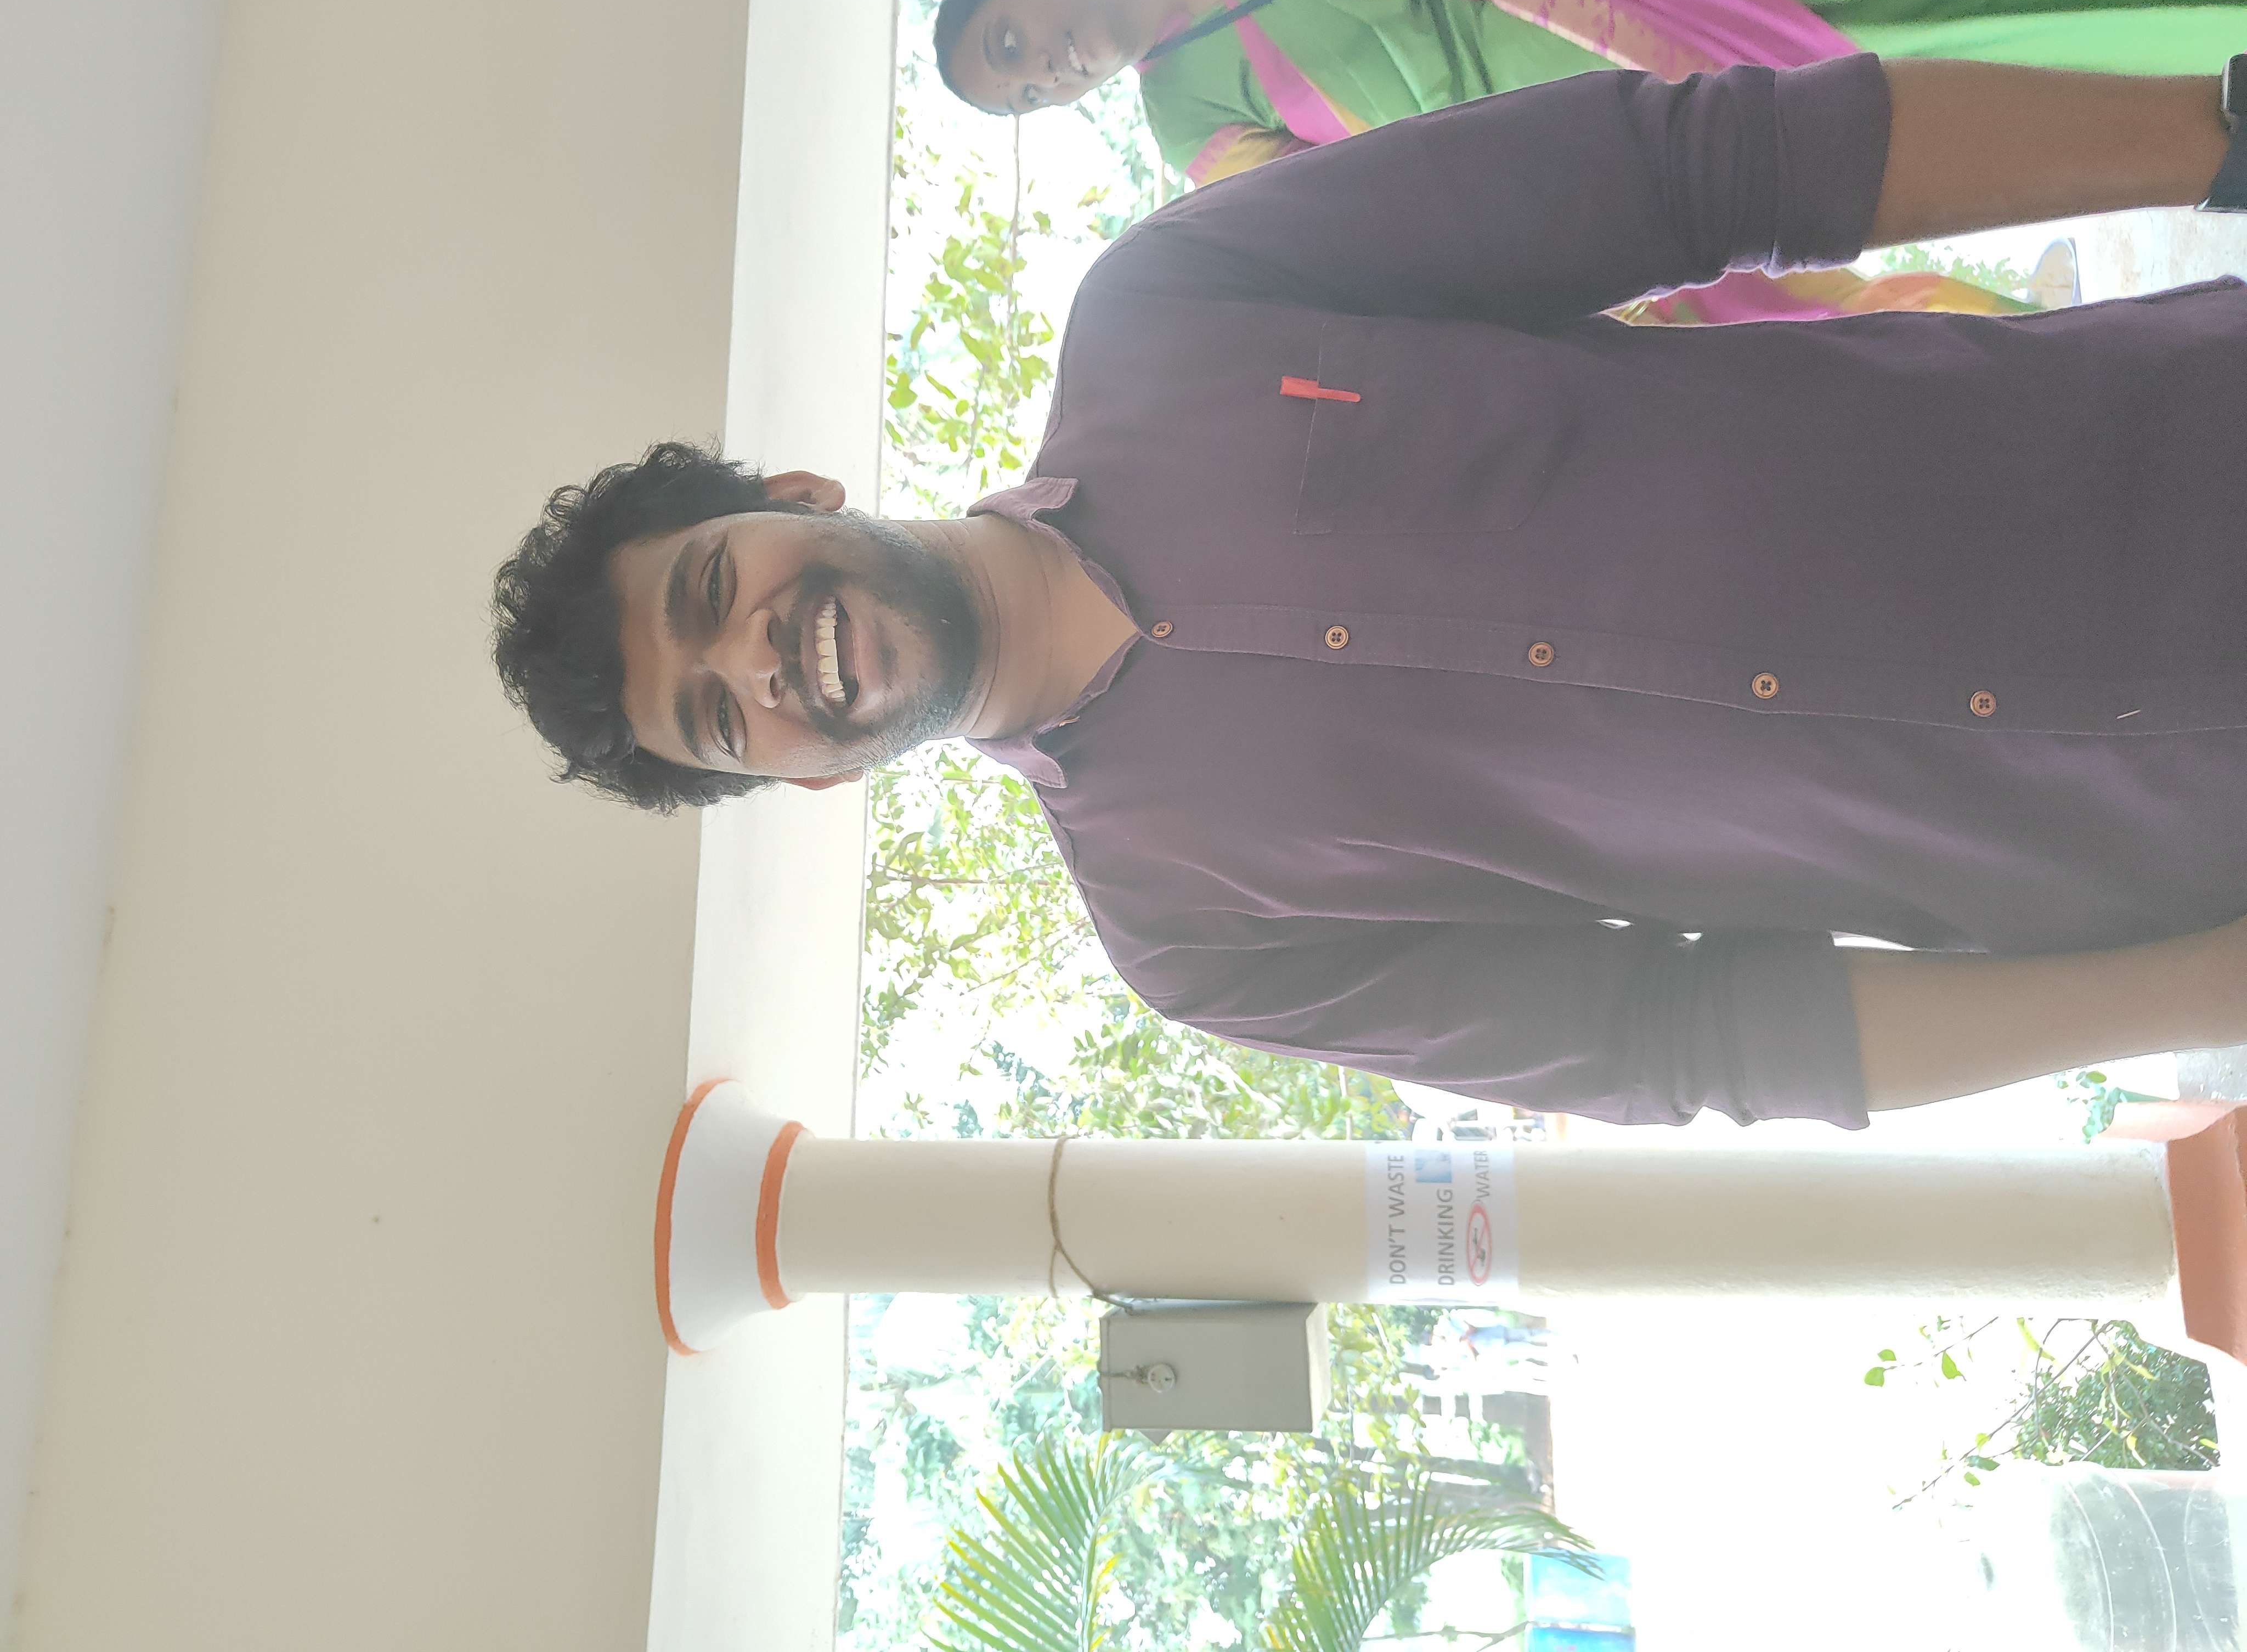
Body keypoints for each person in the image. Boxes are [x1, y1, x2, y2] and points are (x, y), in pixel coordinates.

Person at [492, 55, 2247, 1129]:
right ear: (798, 779)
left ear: (796, 497)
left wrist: (2220, 132)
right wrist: (2194, 994)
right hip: (2174, 851)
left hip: (2175, 440)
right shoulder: (1192, 936)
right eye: (721, 716)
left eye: (715, 587)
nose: (760, 659)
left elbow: (1709, 166)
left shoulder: (1167, 313)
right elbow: (1698, 1038)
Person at [934, 0, 2244, 320]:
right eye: (1023, 98)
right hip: (1589, 126)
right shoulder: (1188, 122)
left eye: (1008, 44)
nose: (1044, 75)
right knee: (1894, 109)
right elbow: (1357, 216)